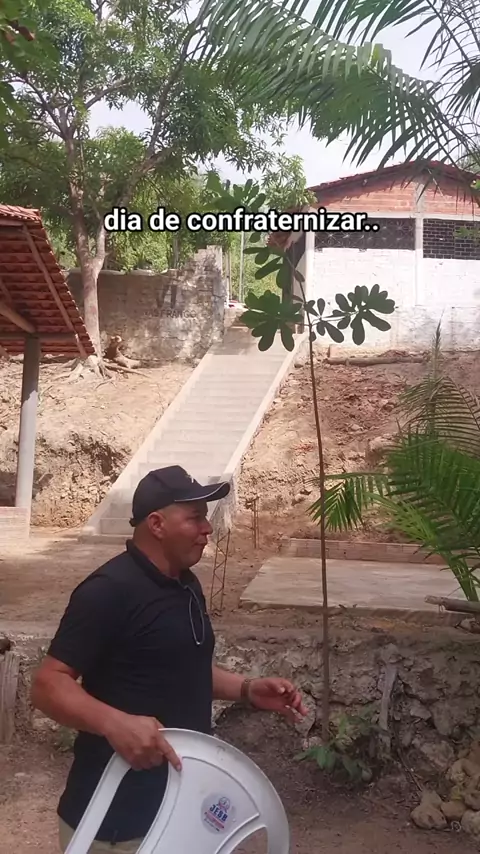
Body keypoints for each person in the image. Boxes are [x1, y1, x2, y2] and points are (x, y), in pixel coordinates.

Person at [31, 465, 307, 853]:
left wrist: (246, 689)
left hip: (179, 806)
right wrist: (114, 723)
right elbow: (47, 684)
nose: (207, 529)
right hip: (114, 823)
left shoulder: (186, 584)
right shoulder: (108, 591)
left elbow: (178, 668)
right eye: (195, 517)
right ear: (157, 524)